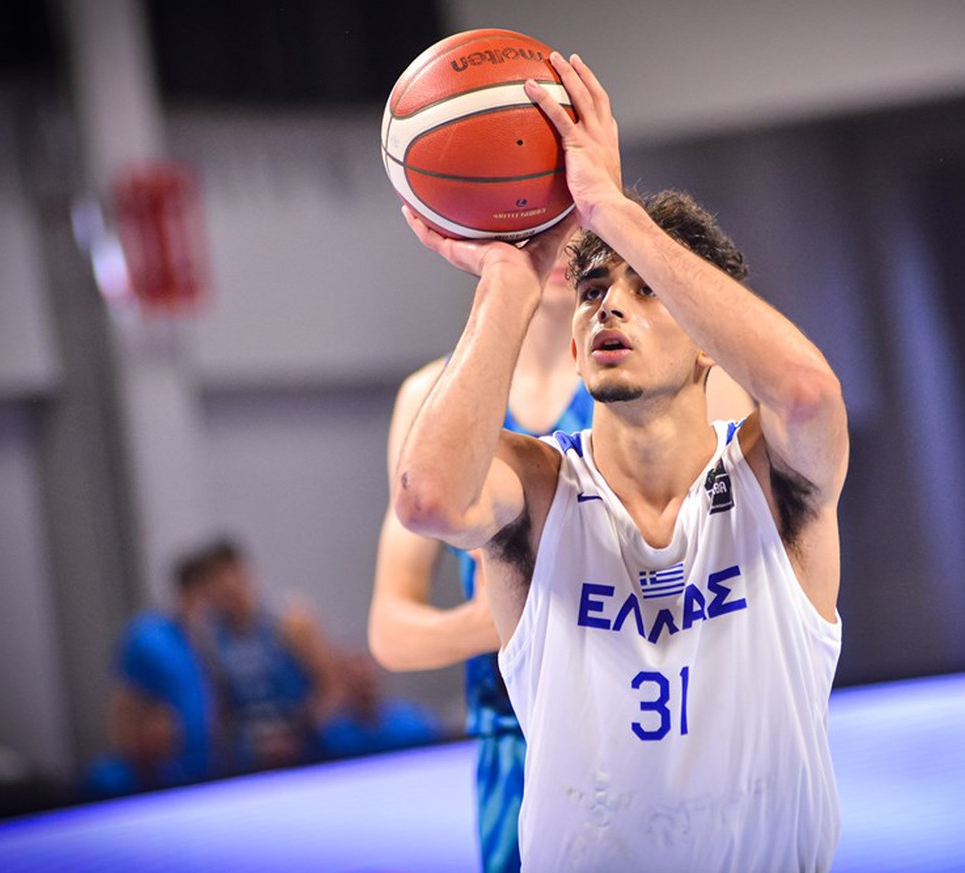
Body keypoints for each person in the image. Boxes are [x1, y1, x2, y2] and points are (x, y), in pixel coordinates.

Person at [391, 51, 847, 872]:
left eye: (646, 291)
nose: (610, 303)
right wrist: (507, 279)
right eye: (597, 287)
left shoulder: (770, 481)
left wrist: (607, 208)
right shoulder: (537, 490)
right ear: (574, 342)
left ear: (709, 344)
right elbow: (426, 498)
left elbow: (809, 395)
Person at [369, 244, 752, 871]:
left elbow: (748, 560)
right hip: (520, 739)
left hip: (668, 723)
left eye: (566, 216)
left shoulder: (689, 370)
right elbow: (390, 632)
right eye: (527, 223)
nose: (552, 243)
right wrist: (507, 617)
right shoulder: (432, 399)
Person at [203, 539, 336, 773]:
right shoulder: (211, 637)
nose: (224, 595)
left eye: (228, 585)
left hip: (301, 748)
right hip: (249, 757)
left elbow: (332, 686)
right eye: (216, 590)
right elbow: (220, 704)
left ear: (243, 575)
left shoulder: (291, 622)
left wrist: (298, 736)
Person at [113, 547, 223, 785]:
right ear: (194, 588)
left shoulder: (213, 639)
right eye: (210, 594)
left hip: (209, 773)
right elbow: (123, 708)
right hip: (162, 778)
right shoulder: (147, 638)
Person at [316, 650, 442, 759]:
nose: (365, 690)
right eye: (358, 684)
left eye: (368, 683)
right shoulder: (334, 735)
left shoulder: (412, 723)